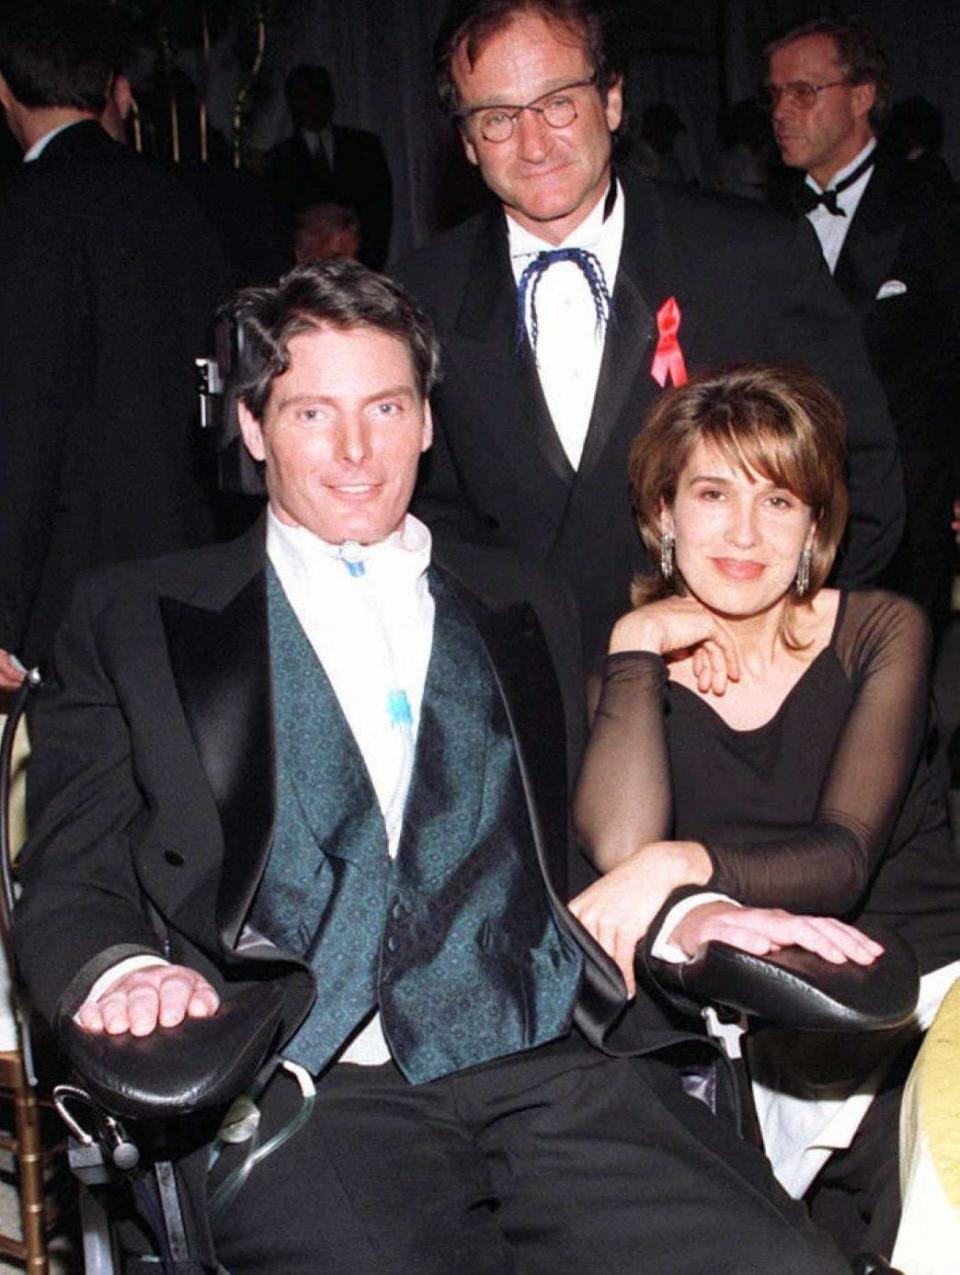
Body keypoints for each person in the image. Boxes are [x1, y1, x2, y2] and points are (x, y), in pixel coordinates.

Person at [13, 261, 850, 1274]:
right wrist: (124, 969)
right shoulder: (133, 616)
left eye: (386, 407)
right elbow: (71, 876)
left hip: (543, 1058)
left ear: (424, 421)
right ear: (251, 426)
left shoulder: (526, 603)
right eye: (313, 413)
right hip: (301, 1084)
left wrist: (687, 915)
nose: (356, 450)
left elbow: (563, 855)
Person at [570, 363, 960, 1259]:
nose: (745, 533)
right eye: (713, 494)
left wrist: (683, 861)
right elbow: (620, 850)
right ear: (665, 514)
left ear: (816, 526)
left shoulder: (877, 631)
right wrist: (636, 648)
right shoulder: (627, 678)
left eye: (780, 501)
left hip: (921, 997)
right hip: (760, 1034)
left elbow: (843, 859)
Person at [394, 0, 903, 670]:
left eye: (557, 103)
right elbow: (424, 516)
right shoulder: (419, 293)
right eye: (497, 119)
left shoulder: (749, 254)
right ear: (464, 141)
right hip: (524, 702)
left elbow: (861, 473)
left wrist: (783, 646)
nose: (534, 143)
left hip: (719, 696)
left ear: (611, 100)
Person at [0, 2, 229, 691]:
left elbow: (23, 417)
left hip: (72, 599)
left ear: (3, 90)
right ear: (110, 87)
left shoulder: (26, 210)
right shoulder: (185, 198)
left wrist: (3, 610)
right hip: (197, 572)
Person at [766, 18, 960, 641]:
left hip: (906, 505)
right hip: (792, 505)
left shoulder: (931, 210)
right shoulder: (761, 220)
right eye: (774, 95)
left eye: (803, 92)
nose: (781, 112)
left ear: (862, 95)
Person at [268, 63, 393, 269]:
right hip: (308, 274)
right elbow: (281, 224)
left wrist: (368, 266)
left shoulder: (364, 146)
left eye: (316, 94)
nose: (310, 104)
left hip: (360, 269)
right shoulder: (280, 159)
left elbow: (380, 213)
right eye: (301, 97)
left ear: (330, 98)